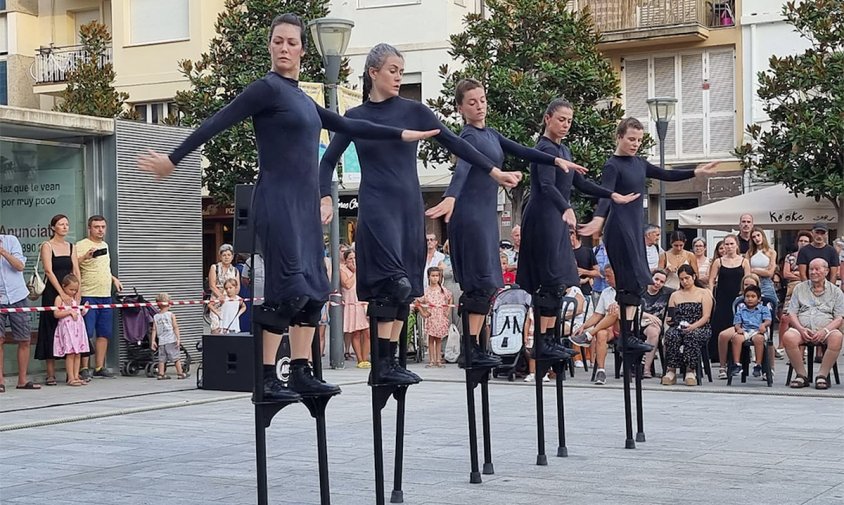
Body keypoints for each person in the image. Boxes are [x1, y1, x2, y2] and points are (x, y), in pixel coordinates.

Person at [138, 14, 439, 401]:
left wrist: (402, 133)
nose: (284, 48)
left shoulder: (303, 100)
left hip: (304, 206)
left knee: (314, 291)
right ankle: (265, 377)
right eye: (277, 41)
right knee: (290, 290)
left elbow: (353, 126)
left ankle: (300, 371)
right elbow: (218, 121)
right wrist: (173, 159)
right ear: (270, 47)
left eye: (291, 42)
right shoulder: (265, 90)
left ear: (301, 50)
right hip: (277, 202)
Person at [318, 43, 520, 385]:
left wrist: (494, 172)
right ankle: (381, 364)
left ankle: (391, 363)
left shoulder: (414, 111)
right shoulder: (355, 118)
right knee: (389, 285)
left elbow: (457, 143)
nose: (398, 76)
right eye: (393, 70)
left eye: (401, 70)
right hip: (377, 206)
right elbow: (326, 163)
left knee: (406, 290)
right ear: (373, 73)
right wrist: (325, 197)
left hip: (410, 209)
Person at [425, 79, 586, 368]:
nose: (480, 106)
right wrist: (450, 197)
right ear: (461, 108)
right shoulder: (469, 138)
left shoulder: (492, 134)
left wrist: (556, 162)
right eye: (472, 102)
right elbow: (462, 169)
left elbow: (526, 151)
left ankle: (478, 347)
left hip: (486, 217)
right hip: (470, 217)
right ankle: (470, 348)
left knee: (488, 286)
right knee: (478, 285)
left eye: (482, 99)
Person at [579, 117, 718, 354]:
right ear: (619, 137)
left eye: (639, 140)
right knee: (629, 281)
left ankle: (629, 334)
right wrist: (598, 219)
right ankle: (625, 334)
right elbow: (606, 194)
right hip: (618, 228)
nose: (635, 144)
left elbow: (666, 174)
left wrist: (695, 171)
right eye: (631, 139)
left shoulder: (639, 163)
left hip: (633, 226)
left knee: (637, 283)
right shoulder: (612, 165)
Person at [34, 214, 81, 387]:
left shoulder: (71, 246)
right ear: (53, 227)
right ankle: (50, 373)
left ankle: (73, 374)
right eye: (61, 224)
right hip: (53, 291)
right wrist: (61, 293)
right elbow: (48, 270)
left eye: (67, 224)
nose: (64, 227)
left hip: (70, 290)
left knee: (72, 328)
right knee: (50, 328)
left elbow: (76, 269)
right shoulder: (47, 245)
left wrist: (78, 293)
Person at [783, 258, 844, 390]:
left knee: (837, 337)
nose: (813, 272)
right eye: (811, 269)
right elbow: (792, 313)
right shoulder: (800, 288)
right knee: (788, 337)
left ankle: (822, 375)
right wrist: (801, 329)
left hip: (826, 329)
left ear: (826, 271)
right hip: (802, 328)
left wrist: (825, 331)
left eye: (817, 269)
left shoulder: (836, 291)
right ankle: (801, 375)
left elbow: (839, 318)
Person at [76, 215, 123, 380]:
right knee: (86, 332)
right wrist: (85, 257)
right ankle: (83, 368)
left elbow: (105, 267)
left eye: (103, 226)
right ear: (89, 228)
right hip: (88, 294)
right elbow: (74, 264)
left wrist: (113, 279)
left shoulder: (105, 245)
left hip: (105, 294)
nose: (100, 230)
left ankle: (99, 366)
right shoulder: (81, 245)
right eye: (97, 227)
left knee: (104, 333)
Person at [661, 265, 713, 386]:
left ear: (694, 277)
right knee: (671, 335)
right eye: (682, 279)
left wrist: (693, 326)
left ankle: (691, 370)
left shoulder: (704, 293)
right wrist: (670, 320)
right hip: (680, 326)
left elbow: (706, 317)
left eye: (687, 278)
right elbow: (671, 315)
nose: (684, 281)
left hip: (699, 326)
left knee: (692, 336)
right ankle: (671, 370)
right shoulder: (675, 295)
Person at [0, 234, 40, 391]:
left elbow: (20, 266)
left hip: (18, 295)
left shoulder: (11, 240)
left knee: (24, 339)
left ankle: (22, 380)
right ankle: (0, 381)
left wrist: (3, 252)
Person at [571, 264, 619, 385]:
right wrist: (584, 326)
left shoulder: (628, 290)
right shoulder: (606, 292)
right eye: (605, 277)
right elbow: (597, 314)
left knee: (615, 311)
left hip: (624, 326)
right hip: (607, 328)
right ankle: (601, 371)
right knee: (601, 333)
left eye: (609, 276)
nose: (606, 280)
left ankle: (588, 335)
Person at [707, 234, 750, 362]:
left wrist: (745, 296)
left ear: (736, 245)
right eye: (727, 244)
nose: (729, 246)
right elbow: (711, 280)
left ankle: (740, 356)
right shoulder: (718, 261)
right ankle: (718, 356)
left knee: (739, 324)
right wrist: (710, 294)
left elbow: (748, 280)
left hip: (738, 297)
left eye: (732, 244)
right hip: (722, 296)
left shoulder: (744, 261)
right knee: (720, 323)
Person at [716, 284, 772, 380]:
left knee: (759, 339)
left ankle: (758, 365)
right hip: (745, 329)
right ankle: (737, 364)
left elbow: (768, 320)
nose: (750, 299)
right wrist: (738, 328)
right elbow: (737, 323)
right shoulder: (741, 310)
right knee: (736, 338)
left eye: (753, 297)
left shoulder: (763, 309)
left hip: (758, 330)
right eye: (747, 296)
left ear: (759, 299)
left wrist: (764, 325)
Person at [52, 274, 90, 386]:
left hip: (78, 329)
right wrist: (68, 312)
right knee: (70, 353)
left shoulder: (75, 299)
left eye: (75, 290)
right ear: (63, 286)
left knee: (78, 353)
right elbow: (56, 313)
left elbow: (78, 313)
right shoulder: (60, 298)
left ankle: (76, 375)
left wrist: (83, 310)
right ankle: (71, 377)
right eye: (71, 289)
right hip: (67, 329)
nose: (73, 292)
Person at [779, 231, 812, 358]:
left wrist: (799, 275)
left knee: (803, 318)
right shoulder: (790, 257)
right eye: (801, 241)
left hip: (806, 288)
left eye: (806, 241)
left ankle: (801, 351)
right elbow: (786, 274)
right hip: (792, 288)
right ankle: (781, 346)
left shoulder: (811, 257)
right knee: (785, 318)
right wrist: (799, 275)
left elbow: (810, 275)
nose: (803, 243)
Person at [640, 269, 674, 377]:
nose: (658, 283)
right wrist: (647, 315)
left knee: (654, 332)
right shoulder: (641, 289)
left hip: (655, 325)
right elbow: (632, 308)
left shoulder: (668, 293)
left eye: (662, 281)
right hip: (638, 321)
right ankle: (635, 365)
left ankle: (646, 369)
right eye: (656, 279)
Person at [340, 249, 370, 369]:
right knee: (356, 333)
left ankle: (365, 358)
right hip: (351, 304)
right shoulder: (342, 270)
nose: (353, 261)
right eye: (350, 259)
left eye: (355, 258)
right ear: (346, 261)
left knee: (367, 332)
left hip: (362, 303)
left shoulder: (364, 269)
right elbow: (347, 284)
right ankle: (359, 359)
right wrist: (355, 272)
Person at [418, 267, 452, 368]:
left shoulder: (443, 290)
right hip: (431, 317)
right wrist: (423, 313)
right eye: (433, 276)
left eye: (437, 276)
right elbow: (418, 302)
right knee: (431, 338)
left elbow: (450, 298)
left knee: (438, 339)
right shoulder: (426, 291)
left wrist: (448, 310)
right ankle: (431, 360)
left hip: (440, 316)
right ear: (429, 277)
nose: (435, 278)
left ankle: (438, 359)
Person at [150, 292, 187, 380]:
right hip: (171, 340)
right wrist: (178, 338)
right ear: (167, 304)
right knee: (176, 357)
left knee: (161, 359)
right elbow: (175, 327)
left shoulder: (156, 316)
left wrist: (153, 341)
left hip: (161, 341)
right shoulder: (171, 315)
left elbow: (154, 329)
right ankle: (180, 373)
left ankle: (161, 374)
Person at [208, 244, 240, 333]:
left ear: (232, 256)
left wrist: (232, 297)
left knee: (228, 328)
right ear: (220, 256)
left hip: (230, 302)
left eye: (229, 255)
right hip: (217, 301)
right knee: (216, 327)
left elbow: (237, 287)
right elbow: (212, 285)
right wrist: (221, 296)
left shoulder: (235, 270)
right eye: (224, 255)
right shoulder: (215, 267)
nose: (226, 257)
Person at [746, 227, 778, 308]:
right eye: (754, 237)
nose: (757, 238)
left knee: (770, 307)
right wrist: (763, 271)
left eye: (758, 235)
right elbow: (747, 270)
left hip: (766, 283)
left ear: (763, 236)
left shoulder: (771, 252)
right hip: (753, 282)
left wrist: (754, 269)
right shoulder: (749, 253)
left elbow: (770, 273)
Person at [571, 229, 599, 298]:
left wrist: (584, 272)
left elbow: (597, 273)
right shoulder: (565, 252)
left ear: (574, 236)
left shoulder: (588, 251)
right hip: (568, 292)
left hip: (585, 293)